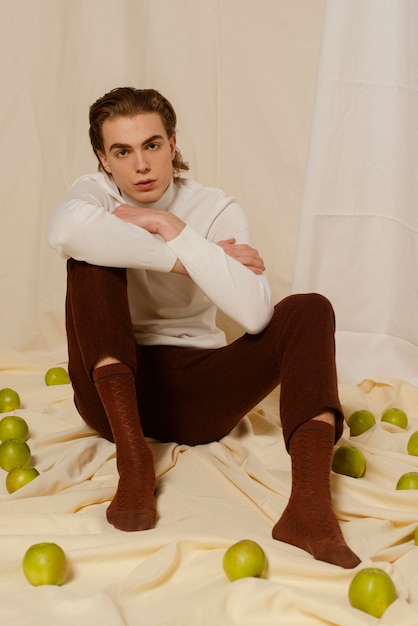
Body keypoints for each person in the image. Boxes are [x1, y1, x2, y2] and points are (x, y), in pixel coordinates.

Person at [48, 87, 360, 569]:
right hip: (109, 400)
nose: (141, 166)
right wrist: (190, 262)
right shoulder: (93, 194)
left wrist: (172, 228)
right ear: (103, 161)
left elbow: (255, 314)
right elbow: (66, 232)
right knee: (87, 261)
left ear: (173, 144)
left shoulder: (215, 209)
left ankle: (310, 507)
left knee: (311, 308)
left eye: (152, 145)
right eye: (122, 152)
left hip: (199, 397)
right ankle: (135, 465)